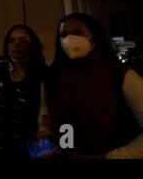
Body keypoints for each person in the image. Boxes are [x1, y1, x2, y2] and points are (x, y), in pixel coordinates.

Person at [38, 12, 143, 159]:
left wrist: (111, 157)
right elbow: (47, 117)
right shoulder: (52, 77)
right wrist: (45, 140)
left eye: (78, 32)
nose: (69, 39)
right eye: (64, 34)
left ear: (94, 36)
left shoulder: (121, 75)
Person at [0, 24, 47, 160]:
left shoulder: (43, 73)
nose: (16, 44)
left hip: (30, 148)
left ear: (32, 44)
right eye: (11, 41)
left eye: (22, 40)